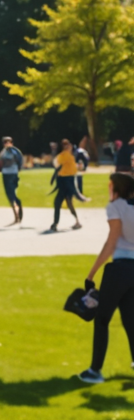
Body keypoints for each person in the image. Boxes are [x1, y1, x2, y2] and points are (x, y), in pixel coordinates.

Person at [78, 172, 134, 383]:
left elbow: (112, 242)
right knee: (130, 319)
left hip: (119, 269)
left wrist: (92, 273)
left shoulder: (116, 207)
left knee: (101, 319)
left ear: (116, 188)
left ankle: (95, 371)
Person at [52, 138, 83, 231]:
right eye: (66, 145)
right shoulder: (65, 156)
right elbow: (73, 169)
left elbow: (57, 165)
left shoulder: (66, 156)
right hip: (65, 181)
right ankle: (57, 223)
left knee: (62, 202)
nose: (68, 147)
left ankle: (56, 223)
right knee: (64, 202)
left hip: (66, 181)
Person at [0, 136, 25, 224]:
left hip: (12, 174)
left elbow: (20, 160)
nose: (7, 144)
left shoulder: (14, 151)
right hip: (5, 174)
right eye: (5, 142)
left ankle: (18, 203)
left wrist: (18, 169)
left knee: (12, 194)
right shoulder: (3, 152)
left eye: (9, 142)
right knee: (9, 196)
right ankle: (16, 216)